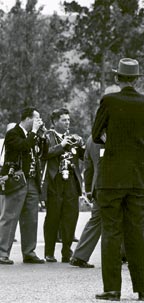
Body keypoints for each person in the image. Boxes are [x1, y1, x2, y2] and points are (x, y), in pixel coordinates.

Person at [92, 58, 144, 301]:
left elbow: (96, 134)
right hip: (138, 176)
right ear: (137, 79)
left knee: (111, 232)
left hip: (112, 177)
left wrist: (112, 140)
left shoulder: (109, 100)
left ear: (118, 78)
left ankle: (112, 289)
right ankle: (143, 289)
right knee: (136, 233)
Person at [0, 107, 46, 265]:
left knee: (31, 218)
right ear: (27, 118)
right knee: (10, 216)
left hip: (32, 181)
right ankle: (2, 253)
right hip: (17, 180)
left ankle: (29, 252)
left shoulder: (34, 136)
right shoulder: (13, 133)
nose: (39, 121)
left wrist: (42, 135)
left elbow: (42, 153)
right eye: (37, 118)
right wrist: (34, 133)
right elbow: (24, 146)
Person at [42, 108, 84, 264]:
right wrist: (62, 145)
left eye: (68, 120)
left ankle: (67, 251)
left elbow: (83, 157)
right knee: (53, 217)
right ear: (54, 122)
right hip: (55, 181)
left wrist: (81, 145)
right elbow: (44, 154)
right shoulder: (47, 137)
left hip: (71, 181)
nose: (67, 123)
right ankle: (49, 252)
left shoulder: (72, 137)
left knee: (71, 216)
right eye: (64, 120)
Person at [69, 136, 102, 268]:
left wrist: (88, 189)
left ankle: (79, 255)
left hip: (98, 187)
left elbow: (88, 167)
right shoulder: (113, 135)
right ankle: (127, 254)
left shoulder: (91, 139)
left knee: (96, 221)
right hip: (113, 185)